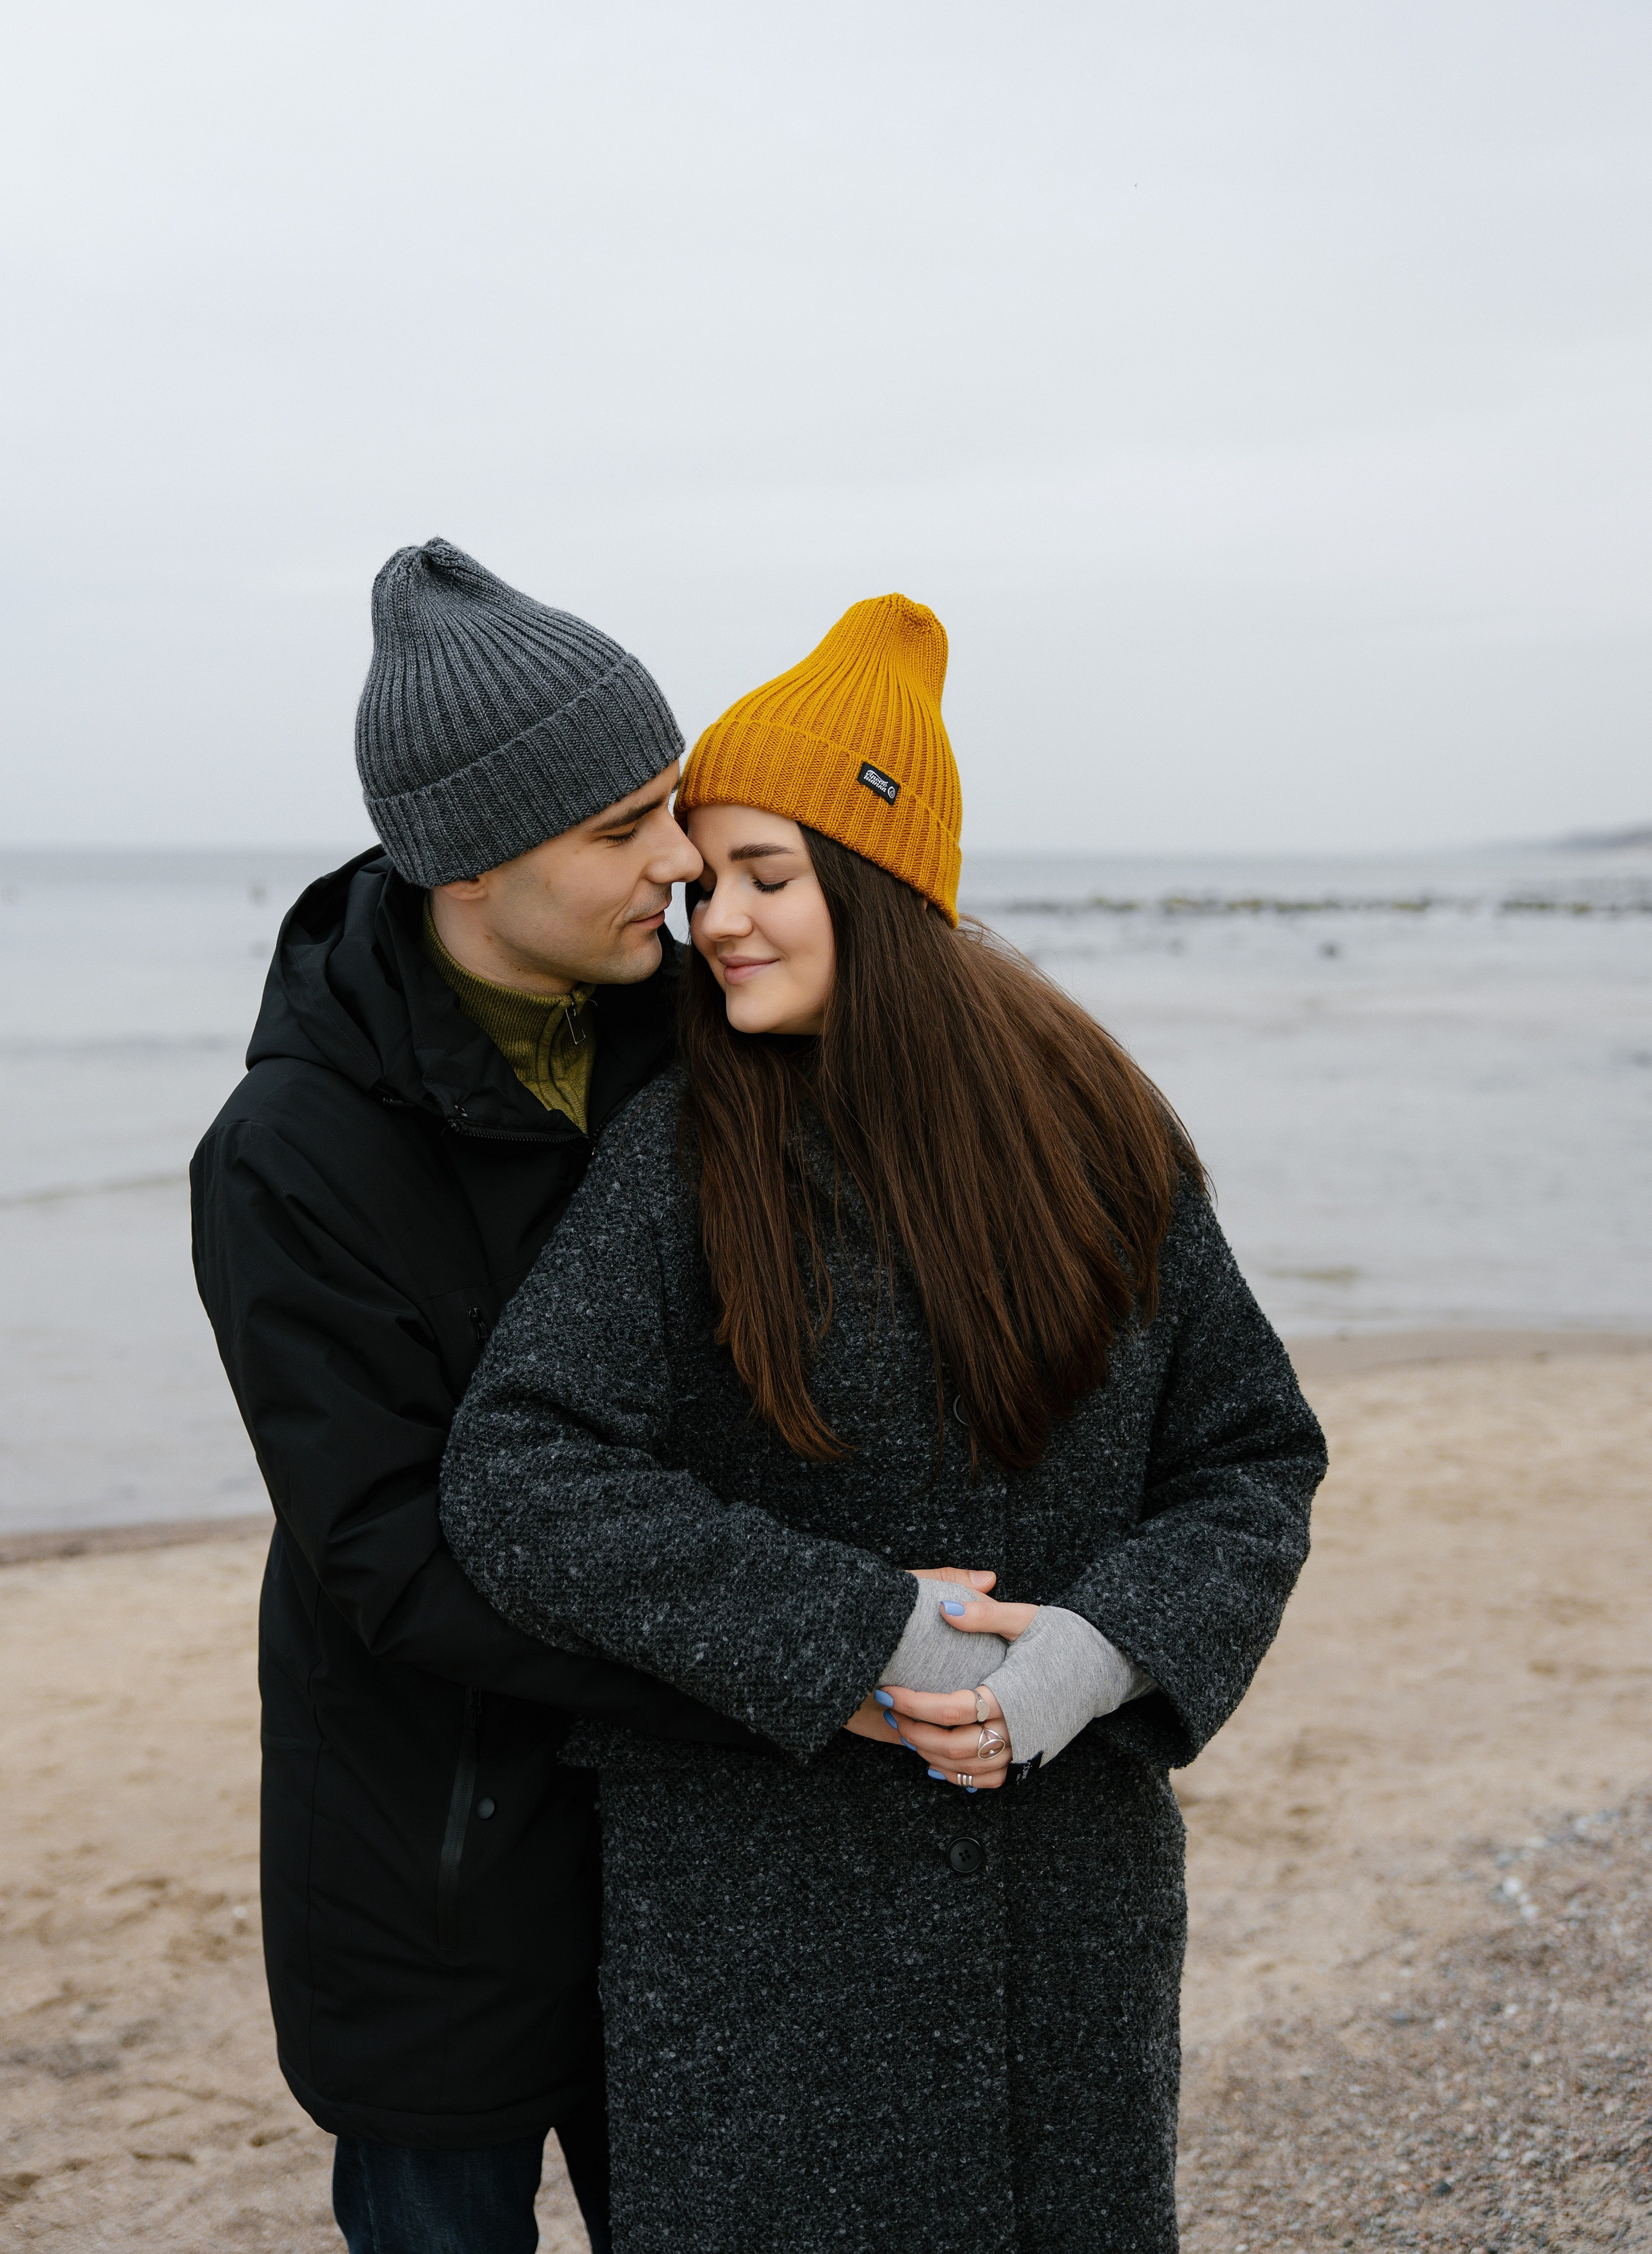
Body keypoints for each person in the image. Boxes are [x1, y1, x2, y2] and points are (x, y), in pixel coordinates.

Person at [439, 592, 1330, 2253]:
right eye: (706, 882)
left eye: (767, 876)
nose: (716, 925)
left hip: (1065, 1898)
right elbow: (521, 1470)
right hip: (762, 1918)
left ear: (886, 878)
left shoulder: (1101, 1130)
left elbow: (1250, 1455)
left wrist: (1099, 1653)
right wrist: (856, 1632)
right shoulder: (682, 1151)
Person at [190, 538, 785, 2254]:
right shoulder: (286, 1158)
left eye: (672, 809)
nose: (680, 868)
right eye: (623, 831)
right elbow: (387, 1552)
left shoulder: (708, 1042)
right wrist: (772, 1661)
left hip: (691, 1853)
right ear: (463, 861)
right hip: (424, 1856)